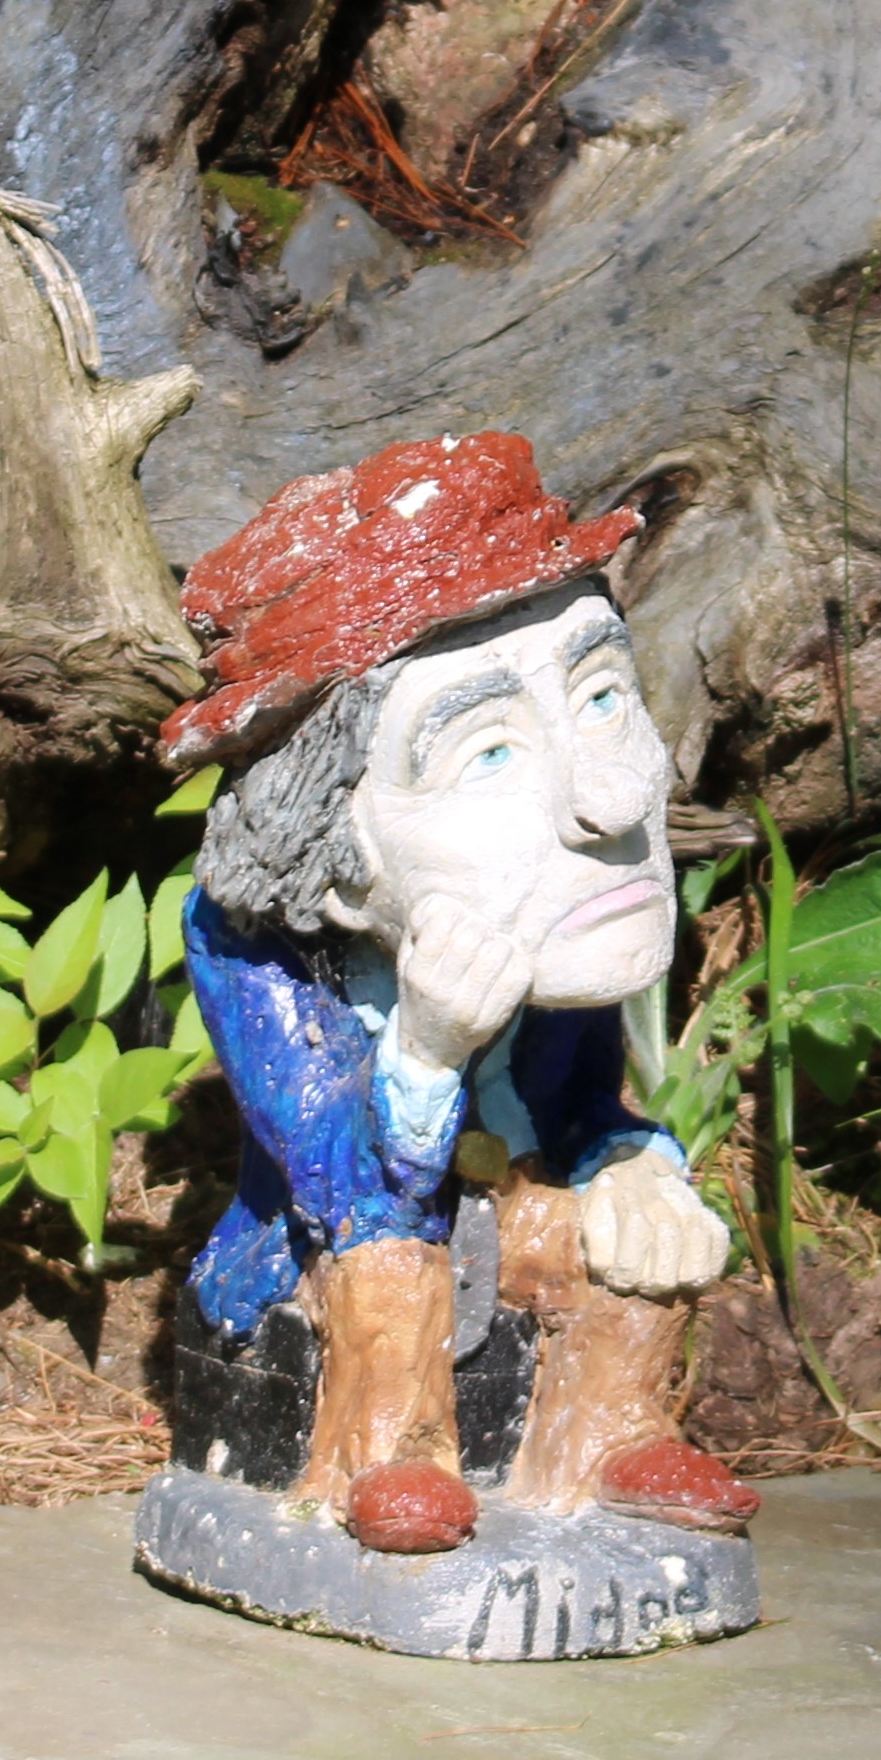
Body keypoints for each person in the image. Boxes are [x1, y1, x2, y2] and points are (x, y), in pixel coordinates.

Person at [157, 430, 757, 1558]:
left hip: (507, 1203)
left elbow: (580, 1109)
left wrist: (632, 1163)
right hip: (339, 1237)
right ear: (332, 853)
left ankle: (609, 1435)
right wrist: (428, 1051)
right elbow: (326, 1171)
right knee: (386, 1257)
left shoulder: (563, 930)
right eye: (488, 754)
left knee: (621, 1230)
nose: (607, 799)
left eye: (600, 697)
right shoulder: (251, 948)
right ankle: (390, 1451)